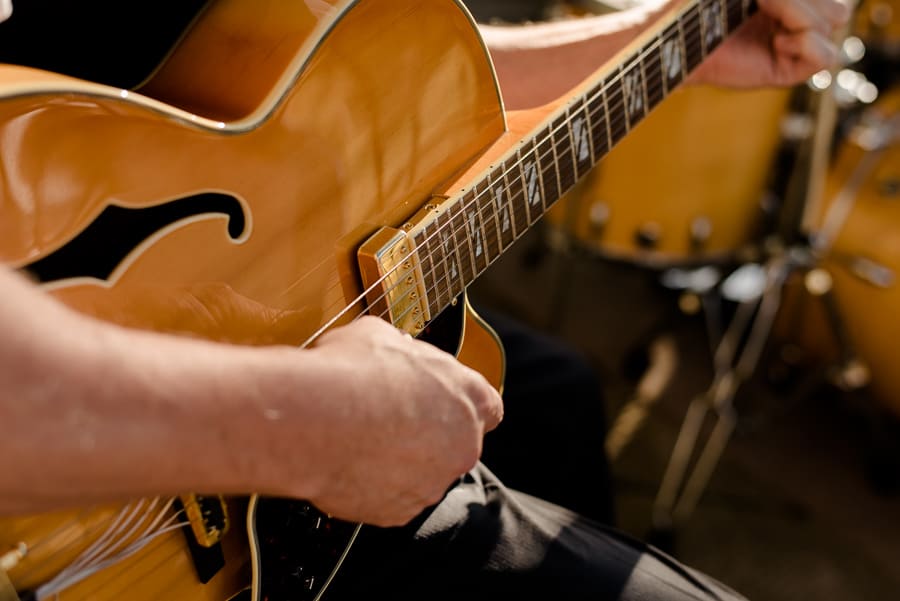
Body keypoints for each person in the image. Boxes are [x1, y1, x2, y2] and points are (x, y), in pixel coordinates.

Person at [0, 0, 848, 599]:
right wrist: (309, 425)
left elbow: (343, 65)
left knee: (553, 394)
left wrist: (665, 40)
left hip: (237, 353)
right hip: (169, 454)